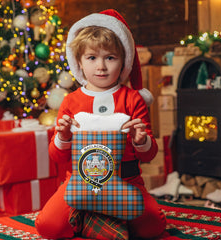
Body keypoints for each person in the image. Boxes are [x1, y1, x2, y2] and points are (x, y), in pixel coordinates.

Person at [35, 9, 166, 240]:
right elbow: (57, 156)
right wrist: (63, 136)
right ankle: (96, 217)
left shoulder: (133, 99)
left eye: (110, 57)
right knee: (48, 226)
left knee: (153, 227)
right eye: (92, 57)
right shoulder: (71, 100)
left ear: (123, 60)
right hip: (80, 181)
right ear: (79, 62)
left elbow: (149, 156)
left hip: (127, 181)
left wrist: (141, 141)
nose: (101, 66)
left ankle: (97, 216)